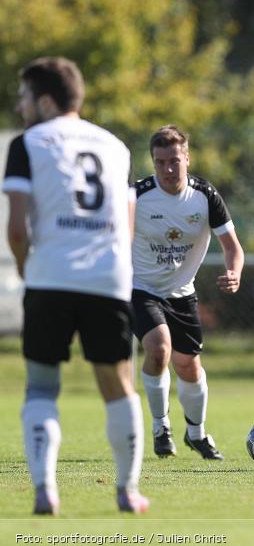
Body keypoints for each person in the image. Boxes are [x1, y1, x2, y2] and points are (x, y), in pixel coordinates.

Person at [3, 57, 149, 514]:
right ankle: (127, 491)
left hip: (50, 276)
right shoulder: (116, 146)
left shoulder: (28, 143)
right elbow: (128, 228)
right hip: (107, 277)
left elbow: (17, 230)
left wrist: (29, 270)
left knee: (42, 386)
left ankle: (46, 489)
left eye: (25, 98)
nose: (22, 107)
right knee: (118, 384)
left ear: (46, 100)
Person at [132, 125, 244, 461]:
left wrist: (234, 272)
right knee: (158, 348)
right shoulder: (136, 195)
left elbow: (232, 247)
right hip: (142, 289)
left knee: (189, 366)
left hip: (182, 293)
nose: (167, 169)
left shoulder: (204, 196)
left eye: (174, 161)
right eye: (160, 162)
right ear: (153, 162)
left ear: (187, 159)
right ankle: (160, 427)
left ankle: (196, 433)